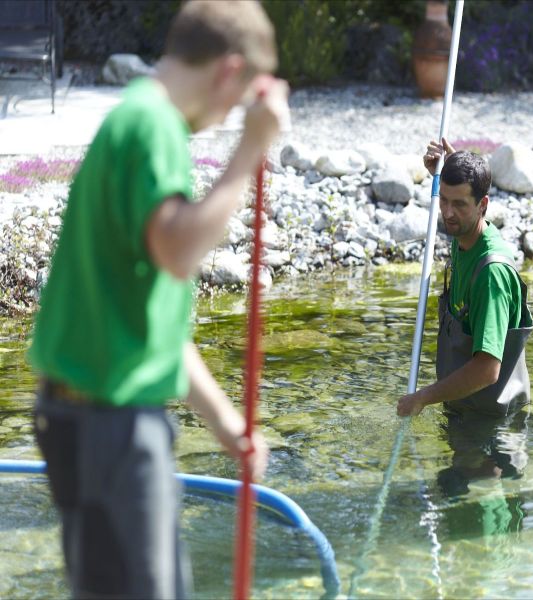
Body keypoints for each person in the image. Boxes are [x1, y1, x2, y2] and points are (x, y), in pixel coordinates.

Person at [27, 2, 289, 597]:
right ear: (228, 71)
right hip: (108, 422)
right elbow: (178, 250)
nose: (226, 118)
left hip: (92, 415)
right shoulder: (154, 128)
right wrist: (248, 152)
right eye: (236, 102)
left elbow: (150, 320)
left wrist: (226, 424)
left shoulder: (137, 118)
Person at [396, 139, 533, 493]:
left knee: (479, 517)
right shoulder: (466, 237)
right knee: (452, 499)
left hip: (492, 429)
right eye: (443, 200)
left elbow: (488, 369)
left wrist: (423, 397)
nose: (448, 213)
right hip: (465, 412)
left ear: (483, 205)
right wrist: (448, 165)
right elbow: (463, 189)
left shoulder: (491, 275)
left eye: (459, 204)